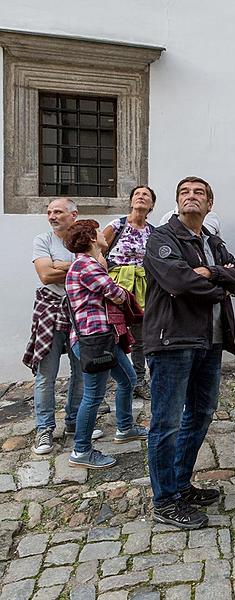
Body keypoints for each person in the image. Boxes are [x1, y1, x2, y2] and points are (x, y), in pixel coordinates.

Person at [144, 176, 235, 530]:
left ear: (209, 205)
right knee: (166, 423)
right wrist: (219, 288)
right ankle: (165, 500)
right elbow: (177, 281)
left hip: (211, 340)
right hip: (173, 340)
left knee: (201, 413)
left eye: (199, 193)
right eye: (185, 193)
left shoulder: (212, 242)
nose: (192, 197)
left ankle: (180, 483)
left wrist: (214, 272)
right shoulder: (162, 238)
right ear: (177, 203)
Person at [64, 219, 147, 469]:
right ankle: (81, 451)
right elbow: (116, 293)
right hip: (93, 339)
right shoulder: (86, 265)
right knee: (93, 396)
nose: (103, 234)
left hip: (101, 339)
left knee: (127, 379)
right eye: (99, 231)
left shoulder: (88, 264)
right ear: (91, 238)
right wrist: (117, 283)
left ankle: (125, 427)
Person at [24, 199, 94, 455]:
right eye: (49, 212)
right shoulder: (43, 240)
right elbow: (45, 275)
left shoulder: (84, 239)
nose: (52, 216)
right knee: (46, 374)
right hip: (50, 310)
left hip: (79, 310)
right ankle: (44, 429)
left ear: (73, 215)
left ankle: (74, 422)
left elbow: (97, 268)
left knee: (81, 370)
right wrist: (77, 268)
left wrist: (61, 266)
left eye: (58, 212)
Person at [102, 185, 156, 400]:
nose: (141, 197)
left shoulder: (153, 231)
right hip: (116, 288)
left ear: (151, 205)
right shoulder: (117, 225)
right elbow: (98, 251)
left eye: (146, 195)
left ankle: (139, 381)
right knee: (110, 335)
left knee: (140, 338)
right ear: (131, 201)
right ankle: (105, 385)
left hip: (141, 290)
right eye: (137, 194)